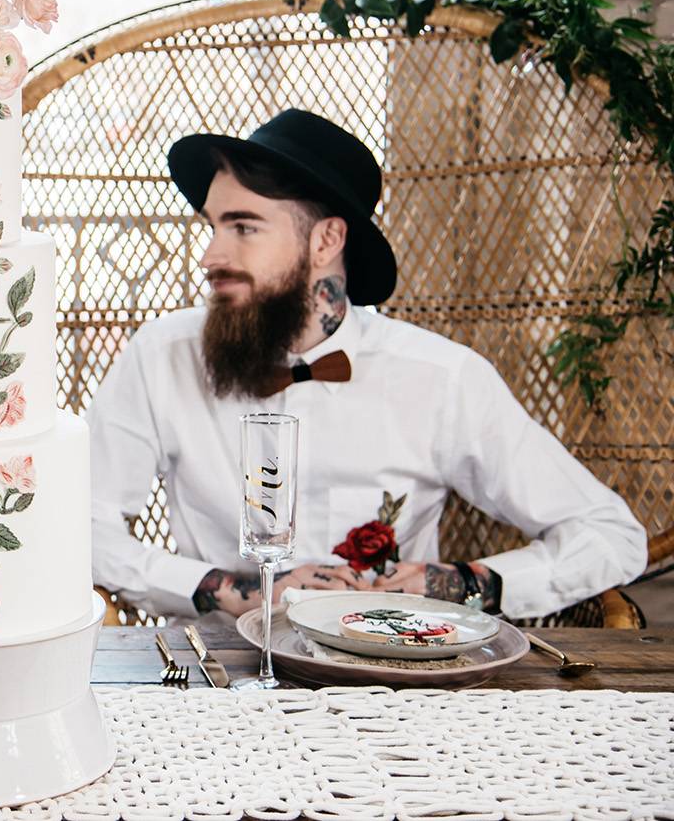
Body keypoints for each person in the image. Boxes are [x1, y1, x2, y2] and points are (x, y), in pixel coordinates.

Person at [88, 108, 647, 622]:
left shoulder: (442, 377)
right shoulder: (161, 356)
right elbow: (77, 525)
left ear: (327, 239)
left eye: (243, 227)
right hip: (216, 676)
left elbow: (611, 534)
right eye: (212, 226)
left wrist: (460, 583)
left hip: (399, 679)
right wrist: (234, 589)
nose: (210, 256)